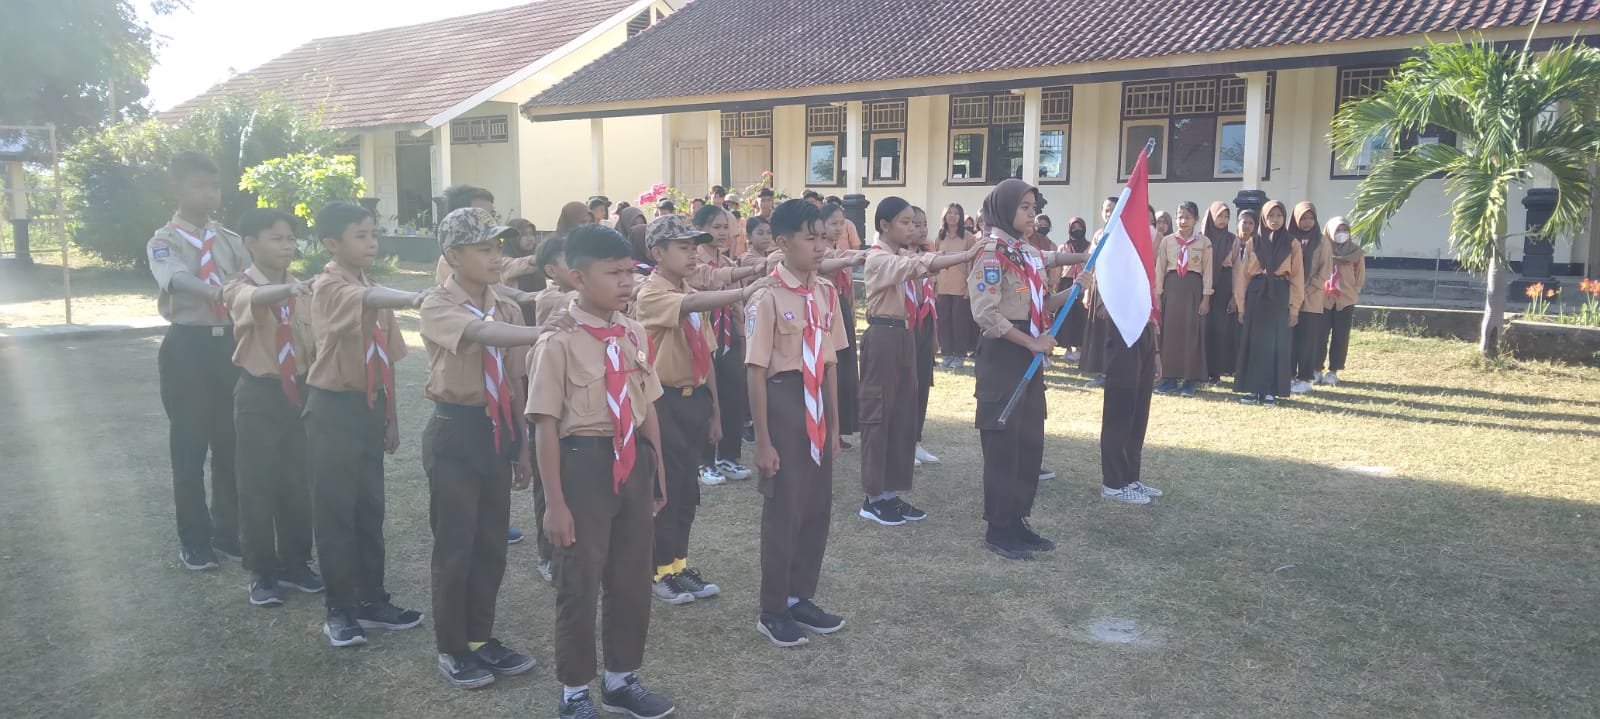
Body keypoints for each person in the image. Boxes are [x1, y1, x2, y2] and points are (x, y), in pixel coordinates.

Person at [526, 224, 676, 719]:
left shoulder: (632, 332)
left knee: (631, 576)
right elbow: (545, 426)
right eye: (613, 273)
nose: (626, 282)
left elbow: (647, 406)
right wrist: (554, 504)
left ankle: (620, 679)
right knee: (580, 581)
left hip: (632, 461)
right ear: (577, 277)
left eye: (629, 271)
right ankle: (574, 691)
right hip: (582, 465)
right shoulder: (557, 342)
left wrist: (657, 472)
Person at [422, 208, 564, 689]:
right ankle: (452, 647)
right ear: (452, 255)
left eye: (498, 246)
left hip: (497, 429)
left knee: (490, 545)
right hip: (455, 430)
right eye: (484, 248)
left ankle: (480, 638)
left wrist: (521, 445)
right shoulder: (439, 304)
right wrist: (544, 331)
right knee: (456, 545)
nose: (496, 256)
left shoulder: (504, 305)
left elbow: (515, 378)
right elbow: (480, 335)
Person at [304, 202, 431, 647]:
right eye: (360, 235)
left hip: (369, 408)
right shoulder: (328, 286)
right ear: (331, 243)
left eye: (374, 234)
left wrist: (390, 417)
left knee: (369, 510)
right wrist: (414, 297)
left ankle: (372, 600)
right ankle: (339, 609)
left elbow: (386, 360)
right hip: (333, 410)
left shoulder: (371, 287)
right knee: (336, 512)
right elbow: (365, 302)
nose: (372, 242)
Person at [634, 215, 763, 605]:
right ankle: (657, 570)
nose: (693, 254)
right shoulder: (651, 293)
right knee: (665, 489)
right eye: (683, 247)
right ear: (658, 253)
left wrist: (716, 411)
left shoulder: (689, 291)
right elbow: (688, 304)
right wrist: (745, 291)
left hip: (696, 400)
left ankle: (677, 564)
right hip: (663, 402)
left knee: (688, 491)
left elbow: (705, 356)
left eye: (694, 247)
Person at [746, 198, 849, 648]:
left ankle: (800, 595)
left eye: (824, 237)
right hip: (784, 400)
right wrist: (763, 441)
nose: (821, 246)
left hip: (817, 403)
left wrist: (836, 428)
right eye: (811, 238)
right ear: (783, 242)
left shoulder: (826, 293)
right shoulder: (766, 297)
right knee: (785, 508)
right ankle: (773, 608)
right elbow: (755, 371)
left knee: (815, 506)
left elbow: (830, 364)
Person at [968, 180, 1086, 557]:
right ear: (1005, 209)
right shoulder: (991, 254)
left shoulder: (1026, 253)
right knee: (1003, 442)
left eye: (1034, 207)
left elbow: (1042, 301)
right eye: (1024, 207)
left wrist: (1077, 287)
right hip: (1004, 353)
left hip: (1028, 351)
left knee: (1028, 440)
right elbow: (987, 314)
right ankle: (998, 528)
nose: (1032, 213)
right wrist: (1031, 342)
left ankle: (1018, 519)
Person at [148, 152, 248, 571]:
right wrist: (216, 292)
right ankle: (194, 539)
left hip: (229, 345)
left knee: (231, 443)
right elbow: (173, 278)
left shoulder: (230, 239)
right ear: (176, 189)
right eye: (198, 186)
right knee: (189, 447)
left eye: (214, 186)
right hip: (187, 347)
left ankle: (228, 531)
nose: (209, 194)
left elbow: (251, 278)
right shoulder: (164, 240)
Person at [860, 197, 982, 526]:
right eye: (905, 222)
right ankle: (872, 498)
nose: (911, 228)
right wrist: (967, 255)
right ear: (884, 225)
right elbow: (919, 266)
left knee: (903, 415)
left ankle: (890, 492)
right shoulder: (879, 258)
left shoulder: (901, 255)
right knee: (879, 414)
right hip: (883, 336)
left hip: (904, 335)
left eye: (914, 222)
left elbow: (918, 264)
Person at [224, 208, 320, 605]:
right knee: (258, 484)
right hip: (259, 394)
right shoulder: (239, 287)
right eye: (276, 239)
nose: (287, 246)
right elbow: (255, 300)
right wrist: (287, 292)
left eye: (290, 239)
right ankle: (262, 572)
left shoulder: (303, 288)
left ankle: (297, 562)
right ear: (250, 244)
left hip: (300, 390)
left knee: (298, 482)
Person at [688, 206, 761, 485]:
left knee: (733, 395)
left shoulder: (729, 263)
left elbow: (737, 305)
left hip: (728, 338)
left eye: (725, 227)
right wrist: (752, 270)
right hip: (702, 336)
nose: (722, 233)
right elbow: (710, 278)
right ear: (700, 229)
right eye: (716, 227)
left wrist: (743, 338)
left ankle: (728, 456)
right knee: (707, 397)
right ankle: (704, 461)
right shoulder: (693, 262)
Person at [526, 235, 576, 583]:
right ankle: (547, 554)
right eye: (570, 262)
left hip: (572, 404)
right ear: (550, 271)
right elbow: (577, 301)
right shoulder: (550, 298)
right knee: (547, 485)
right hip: (548, 403)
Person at [1234, 203, 1305, 406]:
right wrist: (1241, 306)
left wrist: (1294, 308)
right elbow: (1243, 276)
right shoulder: (1253, 242)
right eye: (1271, 215)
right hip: (1256, 293)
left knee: (1275, 343)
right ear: (1264, 218)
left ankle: (1270, 390)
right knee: (1255, 342)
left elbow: (1297, 277)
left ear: (1284, 218)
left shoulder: (1292, 244)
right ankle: (1253, 389)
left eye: (1279, 215)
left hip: (1279, 294)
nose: (1275, 219)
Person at [1153, 201, 1212, 397]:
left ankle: (1189, 380)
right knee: (1170, 333)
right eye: (1180, 217)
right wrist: (1158, 295)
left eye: (1187, 217)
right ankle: (1169, 378)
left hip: (1193, 289)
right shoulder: (1167, 241)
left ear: (1196, 219)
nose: (1183, 221)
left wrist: (1206, 298)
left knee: (1191, 333)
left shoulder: (1204, 243)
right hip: (1172, 288)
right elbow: (1160, 268)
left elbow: (1208, 271)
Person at [819, 204, 863, 447]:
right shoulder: (820, 251)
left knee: (844, 372)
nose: (838, 228)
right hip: (825, 311)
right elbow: (828, 262)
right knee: (829, 369)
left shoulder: (839, 251)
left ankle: (839, 428)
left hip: (841, 309)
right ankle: (826, 428)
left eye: (841, 223)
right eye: (833, 223)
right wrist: (850, 258)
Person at [908, 207, 942, 466]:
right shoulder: (895, 259)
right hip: (905, 326)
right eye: (913, 224)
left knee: (921, 385)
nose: (920, 229)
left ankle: (916, 441)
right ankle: (902, 443)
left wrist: (934, 336)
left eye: (923, 224)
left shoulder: (926, 256)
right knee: (906, 387)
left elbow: (931, 298)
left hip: (925, 325)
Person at [1317, 216, 1366, 386]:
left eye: (1345, 230)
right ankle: (1316, 369)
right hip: (1323, 299)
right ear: (1330, 231)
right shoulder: (1321, 249)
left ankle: (1333, 371)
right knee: (1319, 335)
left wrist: (1352, 292)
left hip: (1345, 300)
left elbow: (1359, 276)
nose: (1342, 233)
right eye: (1338, 230)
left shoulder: (1355, 252)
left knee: (1341, 336)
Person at [1289, 201, 1330, 394]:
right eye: (1303, 218)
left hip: (1312, 299)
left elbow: (1325, 270)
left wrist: (1305, 290)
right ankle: (1289, 376)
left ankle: (1305, 378)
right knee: (1290, 340)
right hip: (1289, 299)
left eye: (1310, 218)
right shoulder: (1288, 239)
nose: (1307, 222)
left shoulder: (1321, 241)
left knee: (1307, 341)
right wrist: (1294, 291)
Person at [1078, 196, 1118, 388]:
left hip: (1118, 290)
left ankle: (1116, 370)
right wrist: (1087, 291)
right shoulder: (1099, 235)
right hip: (1099, 288)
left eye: (1114, 209)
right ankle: (1103, 372)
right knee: (1100, 331)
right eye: (1106, 210)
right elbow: (1091, 262)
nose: (1109, 213)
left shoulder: (1126, 235)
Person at [934, 203, 977, 369]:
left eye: (956, 213)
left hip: (961, 286)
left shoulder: (968, 237)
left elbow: (972, 263)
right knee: (944, 321)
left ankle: (959, 355)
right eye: (949, 213)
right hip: (943, 285)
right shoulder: (940, 237)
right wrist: (934, 284)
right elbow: (935, 262)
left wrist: (969, 286)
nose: (952, 216)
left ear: (961, 217)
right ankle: (947, 354)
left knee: (959, 322)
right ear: (944, 216)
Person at [1202, 202, 1240, 383]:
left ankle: (1215, 372)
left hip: (1224, 285)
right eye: (1220, 216)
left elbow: (1237, 269)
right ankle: (1200, 370)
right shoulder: (1201, 238)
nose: (1223, 220)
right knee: (1202, 328)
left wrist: (1234, 295)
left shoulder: (1232, 239)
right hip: (1202, 285)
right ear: (1211, 216)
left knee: (1219, 328)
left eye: (1227, 217)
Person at [1055, 217, 1091, 362]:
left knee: (1080, 316)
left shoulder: (1089, 246)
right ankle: (1067, 348)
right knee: (1065, 316)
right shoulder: (1063, 247)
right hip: (1066, 283)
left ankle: (1080, 349)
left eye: (1080, 228)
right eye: (1074, 228)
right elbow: (1058, 268)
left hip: (1082, 283)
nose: (1077, 230)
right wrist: (1056, 285)